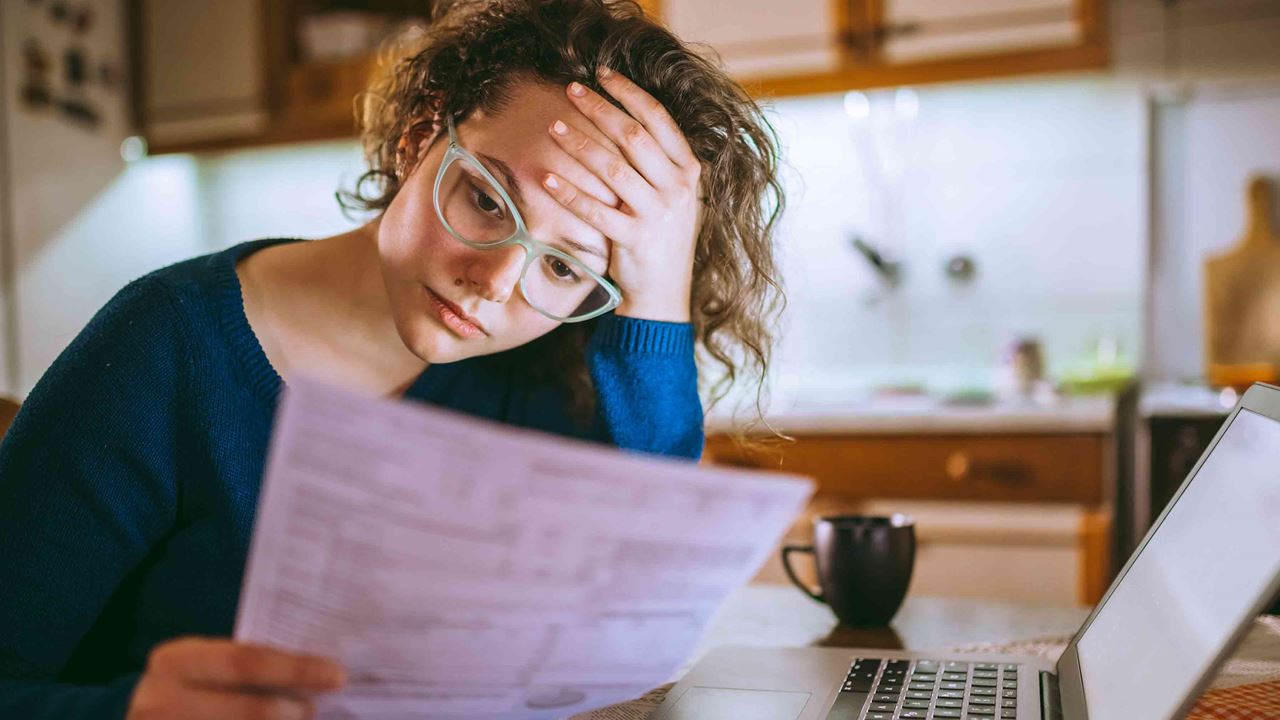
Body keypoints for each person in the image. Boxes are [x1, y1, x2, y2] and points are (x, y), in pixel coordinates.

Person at [0, 0, 785, 717]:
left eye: (564, 266)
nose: (492, 285)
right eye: (485, 198)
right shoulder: (163, 347)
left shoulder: (546, 376)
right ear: (419, 139)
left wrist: (656, 296)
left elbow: (636, 602)